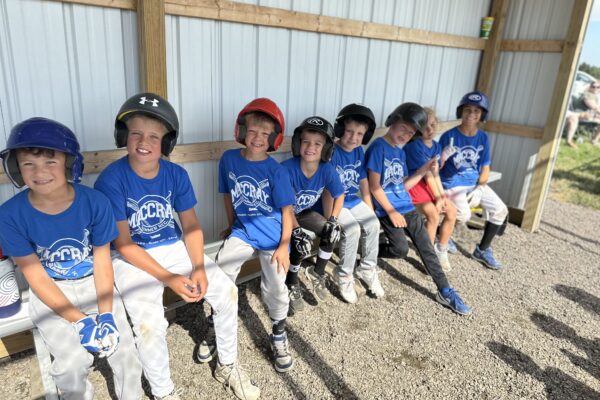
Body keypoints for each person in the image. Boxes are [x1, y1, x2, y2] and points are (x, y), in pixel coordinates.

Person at [94, 93, 258, 400]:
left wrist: (198, 267)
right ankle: (163, 392)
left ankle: (228, 364)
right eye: (136, 133)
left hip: (171, 245)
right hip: (129, 257)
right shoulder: (111, 179)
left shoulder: (176, 174)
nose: (144, 142)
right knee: (149, 324)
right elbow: (124, 244)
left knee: (226, 291)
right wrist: (169, 278)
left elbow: (192, 227)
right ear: (123, 136)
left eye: (154, 136)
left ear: (166, 143)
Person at [0, 117, 143, 399]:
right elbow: (35, 275)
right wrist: (80, 321)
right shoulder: (9, 214)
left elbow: (102, 262)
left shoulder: (95, 202)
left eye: (50, 162)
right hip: (50, 288)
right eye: (28, 163)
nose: (39, 172)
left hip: (95, 282)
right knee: (71, 365)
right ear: (17, 167)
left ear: (69, 164)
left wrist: (104, 314)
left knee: (124, 351)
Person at [365, 103, 471, 316]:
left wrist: (423, 171)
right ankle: (365, 252)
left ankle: (444, 289)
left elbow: (403, 186)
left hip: (405, 205)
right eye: (403, 128)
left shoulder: (400, 152)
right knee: (401, 250)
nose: (406, 134)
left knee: (426, 245)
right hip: (387, 209)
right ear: (393, 121)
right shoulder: (379, 147)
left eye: (411, 132)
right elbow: (374, 186)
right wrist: (391, 211)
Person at [216, 98, 296, 373]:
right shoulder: (228, 159)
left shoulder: (276, 170)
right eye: (252, 131)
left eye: (265, 133)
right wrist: (231, 225)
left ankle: (278, 331)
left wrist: (284, 246)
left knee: (275, 286)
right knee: (221, 272)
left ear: (274, 138)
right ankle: (217, 328)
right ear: (241, 131)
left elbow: (287, 212)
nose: (258, 138)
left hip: (274, 237)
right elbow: (227, 194)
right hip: (243, 231)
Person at [281, 116, 345, 314]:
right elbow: (286, 207)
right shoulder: (286, 169)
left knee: (332, 231)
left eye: (318, 144)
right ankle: (291, 281)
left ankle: (317, 272)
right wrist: (297, 230)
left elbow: (339, 194)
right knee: (301, 242)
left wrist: (334, 218)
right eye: (306, 142)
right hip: (283, 215)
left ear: (326, 148)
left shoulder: (326, 169)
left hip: (303, 212)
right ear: (297, 143)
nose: (311, 147)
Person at [439, 91, 509, 270]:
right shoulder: (449, 136)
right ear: (460, 112)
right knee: (463, 215)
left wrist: (480, 187)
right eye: (467, 110)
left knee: (500, 210)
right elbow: (436, 167)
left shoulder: (483, 137)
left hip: (474, 184)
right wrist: (443, 157)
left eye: (477, 111)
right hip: (452, 183)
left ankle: (482, 250)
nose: (471, 114)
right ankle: (441, 236)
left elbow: (485, 167)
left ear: (482, 115)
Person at [328, 104, 383, 304]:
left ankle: (367, 269)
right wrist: (332, 216)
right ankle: (343, 275)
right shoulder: (332, 151)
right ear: (341, 129)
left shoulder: (359, 151)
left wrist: (369, 207)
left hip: (352, 199)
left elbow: (362, 181)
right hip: (334, 202)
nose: (354, 137)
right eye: (349, 131)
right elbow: (327, 188)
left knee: (373, 223)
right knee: (352, 229)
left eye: (360, 134)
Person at [403, 108, 458, 271]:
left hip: (429, 186)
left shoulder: (436, 146)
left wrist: (442, 196)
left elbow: (435, 174)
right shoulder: (414, 147)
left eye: (433, 125)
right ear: (418, 129)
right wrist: (439, 197)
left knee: (451, 211)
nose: (430, 130)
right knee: (433, 213)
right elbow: (426, 174)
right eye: (425, 126)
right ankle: (428, 256)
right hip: (414, 184)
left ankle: (441, 249)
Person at [565, 81, 600, 147]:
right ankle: (594, 140)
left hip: (587, 115)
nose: (595, 88)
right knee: (574, 118)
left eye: (598, 87)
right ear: (590, 87)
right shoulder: (587, 94)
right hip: (580, 114)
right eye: (593, 87)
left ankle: (595, 140)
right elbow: (592, 106)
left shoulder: (595, 97)